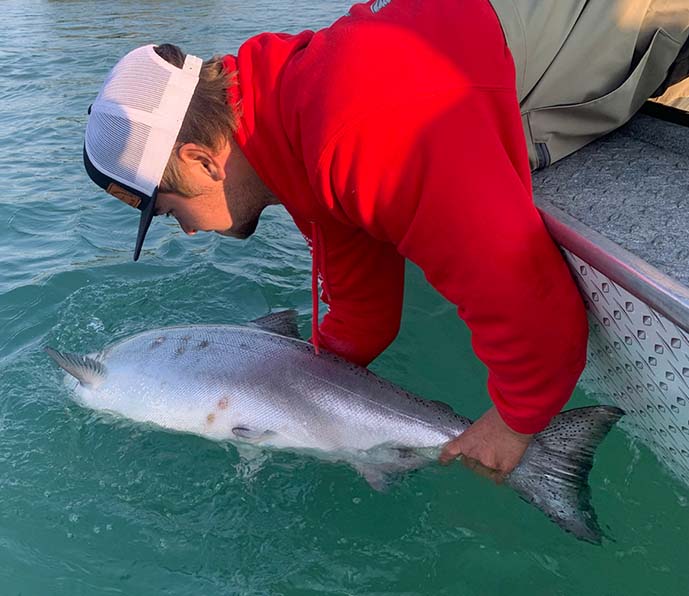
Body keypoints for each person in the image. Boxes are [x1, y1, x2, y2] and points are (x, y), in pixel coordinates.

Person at [82, 0, 689, 479]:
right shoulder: (290, 133)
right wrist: (304, 401)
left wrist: (514, 424)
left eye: (166, 211)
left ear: (202, 161)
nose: (185, 230)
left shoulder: (357, 131)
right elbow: (362, 310)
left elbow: (533, 303)